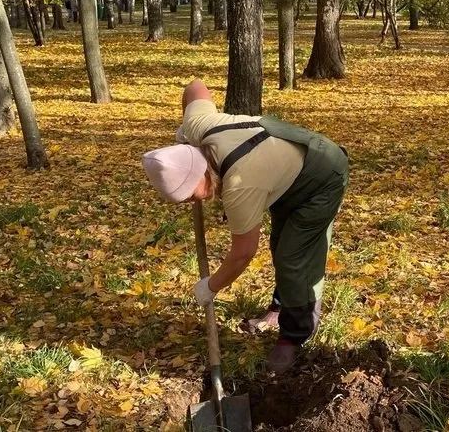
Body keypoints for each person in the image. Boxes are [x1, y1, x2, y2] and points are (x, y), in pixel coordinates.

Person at [141, 79, 349, 373]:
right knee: (281, 245)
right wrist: (185, 133)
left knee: (293, 256)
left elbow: (243, 253)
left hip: (321, 175)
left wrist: (211, 286)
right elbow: (196, 87)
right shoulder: (198, 125)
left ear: (201, 176)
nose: (192, 203)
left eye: (191, 196)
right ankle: (280, 308)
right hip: (282, 173)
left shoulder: (239, 185)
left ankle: (295, 334)